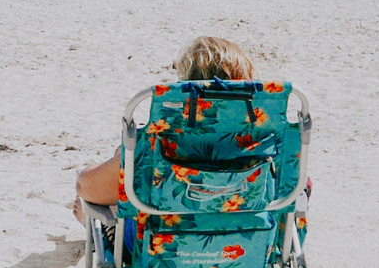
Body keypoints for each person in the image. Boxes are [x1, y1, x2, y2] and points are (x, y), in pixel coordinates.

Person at [74, 36, 258, 213]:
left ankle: (95, 222)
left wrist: (100, 165)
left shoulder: (156, 140)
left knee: (129, 180)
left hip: (166, 240)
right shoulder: (266, 138)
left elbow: (86, 187)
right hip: (254, 238)